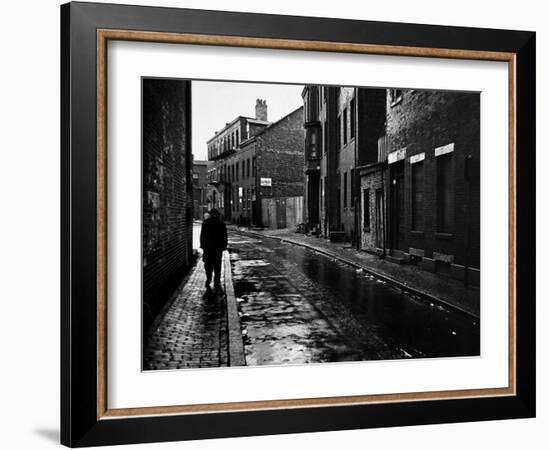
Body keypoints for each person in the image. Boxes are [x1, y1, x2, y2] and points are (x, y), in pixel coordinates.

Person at [200, 208, 228, 289]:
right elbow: (224, 236)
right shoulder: (221, 224)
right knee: (217, 265)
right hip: (217, 248)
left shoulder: (206, 223)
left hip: (208, 248)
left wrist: (202, 245)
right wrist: (224, 246)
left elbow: (202, 236)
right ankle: (217, 280)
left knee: (208, 264)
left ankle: (209, 279)